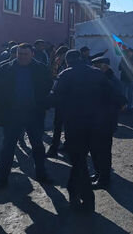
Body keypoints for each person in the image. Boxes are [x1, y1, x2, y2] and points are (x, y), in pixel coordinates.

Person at [49, 50, 113, 212]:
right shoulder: (97, 73)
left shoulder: (65, 74)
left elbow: (55, 97)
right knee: (80, 161)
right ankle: (73, 192)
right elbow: (112, 94)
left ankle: (87, 200)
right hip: (95, 124)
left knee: (78, 161)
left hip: (75, 124)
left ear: (68, 61)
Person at [0, 43, 54, 190]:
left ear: (32, 54)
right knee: (8, 147)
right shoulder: (6, 68)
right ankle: (2, 179)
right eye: (20, 54)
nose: (22, 57)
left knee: (37, 146)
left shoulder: (41, 68)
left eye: (25, 54)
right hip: (12, 114)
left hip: (34, 113)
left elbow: (48, 86)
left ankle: (41, 174)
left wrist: (42, 104)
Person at [91, 57, 126, 189]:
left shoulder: (112, 81)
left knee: (104, 151)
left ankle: (104, 179)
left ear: (104, 66)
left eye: (97, 66)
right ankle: (98, 173)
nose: (94, 68)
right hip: (96, 120)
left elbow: (121, 103)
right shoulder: (100, 79)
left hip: (106, 121)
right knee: (95, 149)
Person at [46, 46, 70, 158]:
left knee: (59, 125)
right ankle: (63, 145)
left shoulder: (63, 66)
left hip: (61, 100)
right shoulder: (60, 64)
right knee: (63, 125)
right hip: (65, 100)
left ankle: (56, 147)